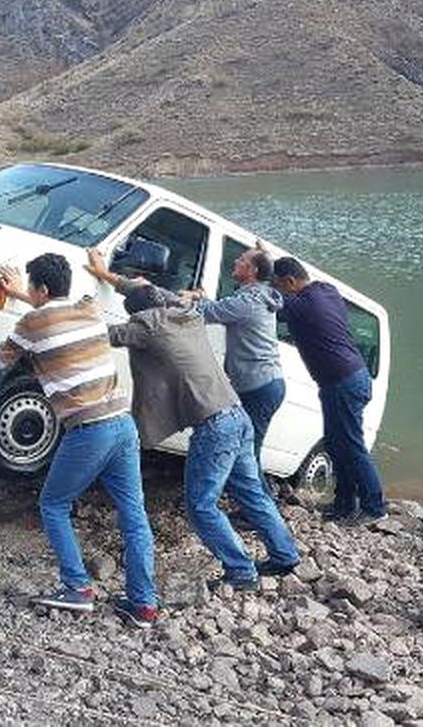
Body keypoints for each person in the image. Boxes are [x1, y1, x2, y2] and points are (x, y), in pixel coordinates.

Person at [0, 253, 160, 628]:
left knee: (53, 504)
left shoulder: (33, 321)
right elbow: (53, 314)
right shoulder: (89, 309)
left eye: (31, 288)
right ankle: (143, 605)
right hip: (124, 427)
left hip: (89, 431)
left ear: (41, 289)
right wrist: (23, 295)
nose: (29, 293)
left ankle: (78, 587)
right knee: (133, 515)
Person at [86, 249, 300, 591]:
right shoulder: (185, 315)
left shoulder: (145, 325)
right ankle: (285, 555)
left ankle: (241, 570)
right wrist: (117, 280)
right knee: (251, 492)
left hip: (215, 425)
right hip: (237, 414)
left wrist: (64, 312)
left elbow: (102, 336)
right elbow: (156, 294)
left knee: (201, 505)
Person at [270, 256, 387, 526]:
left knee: (352, 445)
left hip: (342, 381)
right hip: (352, 376)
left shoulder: (298, 306)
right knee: (337, 444)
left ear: (289, 282)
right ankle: (345, 504)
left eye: (280, 285)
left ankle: (375, 506)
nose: (280, 290)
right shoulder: (327, 291)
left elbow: (269, 302)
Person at [180, 245, 284, 473]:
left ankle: (260, 507)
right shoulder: (253, 296)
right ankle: (252, 504)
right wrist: (201, 297)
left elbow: (208, 313)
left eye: (242, 259)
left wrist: (178, 298)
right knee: (242, 448)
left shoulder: (250, 301)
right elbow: (222, 308)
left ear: (253, 270)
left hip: (259, 385)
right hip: (263, 382)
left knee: (246, 451)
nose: (236, 261)